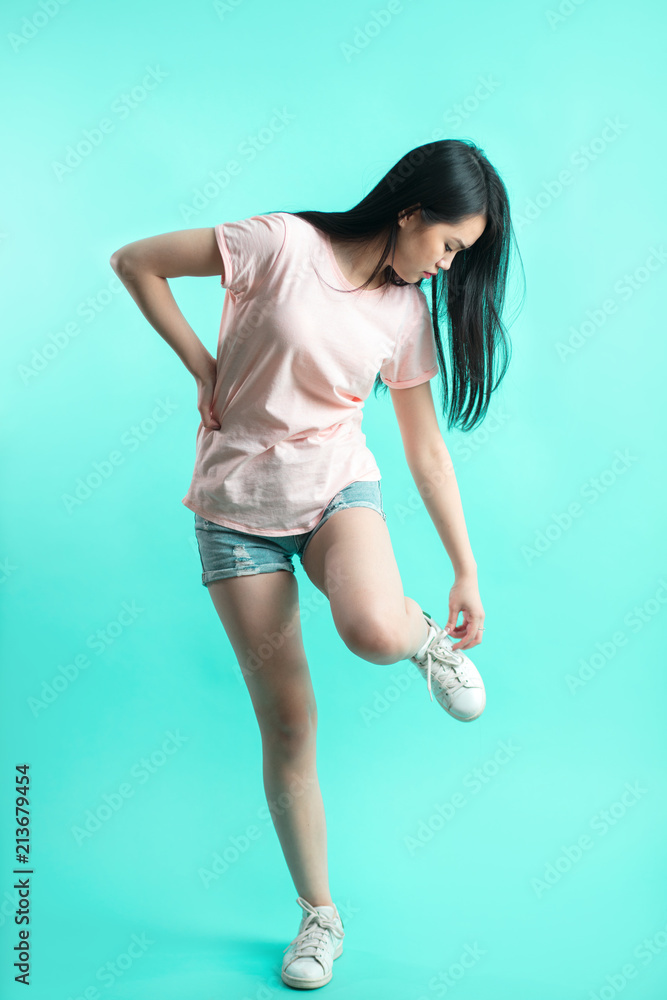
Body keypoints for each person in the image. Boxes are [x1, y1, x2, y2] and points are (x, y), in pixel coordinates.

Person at [109, 138, 522, 991]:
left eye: (460, 259)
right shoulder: (278, 244)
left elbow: (425, 449)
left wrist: (465, 570)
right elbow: (136, 261)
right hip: (235, 516)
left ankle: (423, 642)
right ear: (410, 213)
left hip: (337, 492)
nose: (446, 269)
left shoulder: (404, 313)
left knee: (373, 629)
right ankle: (319, 918)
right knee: (290, 728)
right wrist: (202, 366)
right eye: (448, 247)